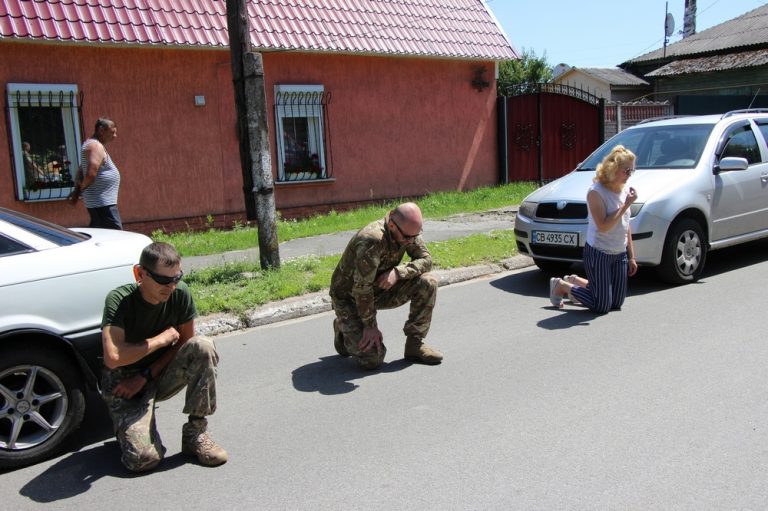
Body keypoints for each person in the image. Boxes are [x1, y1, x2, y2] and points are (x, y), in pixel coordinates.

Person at [101, 242, 227, 472]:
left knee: (202, 346)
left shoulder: (181, 293)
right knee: (143, 459)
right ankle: (129, 428)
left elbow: (185, 345)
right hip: (125, 383)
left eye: (176, 277)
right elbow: (113, 358)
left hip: (157, 373)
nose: (171, 286)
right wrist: (160, 340)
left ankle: (195, 433)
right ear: (140, 273)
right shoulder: (119, 301)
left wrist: (146, 375)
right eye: (163, 280)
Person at [329, 202, 443, 369]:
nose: (411, 241)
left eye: (415, 236)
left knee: (428, 282)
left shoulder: (407, 230)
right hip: (350, 298)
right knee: (372, 359)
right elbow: (362, 289)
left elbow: (426, 260)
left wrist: (398, 272)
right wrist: (369, 326)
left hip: (380, 289)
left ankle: (414, 344)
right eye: (407, 238)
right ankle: (342, 327)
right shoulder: (371, 240)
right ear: (391, 225)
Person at [548, 145, 638, 313]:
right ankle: (561, 286)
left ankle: (576, 282)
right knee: (602, 305)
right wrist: (626, 206)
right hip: (599, 252)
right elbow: (603, 226)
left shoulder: (624, 189)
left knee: (616, 303)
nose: (629, 175)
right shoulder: (596, 192)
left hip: (619, 253)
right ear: (613, 168)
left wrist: (631, 256)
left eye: (632, 171)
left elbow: (626, 224)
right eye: (626, 170)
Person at [69, 117, 122, 229]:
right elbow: (90, 174)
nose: (115, 136)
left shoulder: (93, 145)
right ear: (101, 130)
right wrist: (79, 189)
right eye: (112, 132)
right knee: (115, 239)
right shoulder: (95, 146)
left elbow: (81, 168)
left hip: (101, 204)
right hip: (103, 205)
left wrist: (78, 188)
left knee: (104, 238)